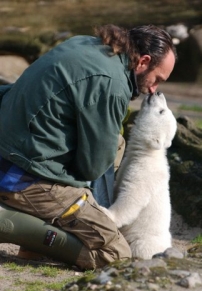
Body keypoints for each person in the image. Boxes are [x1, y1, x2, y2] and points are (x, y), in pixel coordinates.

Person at [0, 24, 177, 270]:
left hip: (13, 148)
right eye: (157, 79)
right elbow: (92, 167)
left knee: (115, 140)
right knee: (115, 254)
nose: (153, 89)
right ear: (143, 61)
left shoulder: (85, 43)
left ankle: (37, 233)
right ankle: (10, 223)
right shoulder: (111, 84)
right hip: (24, 175)